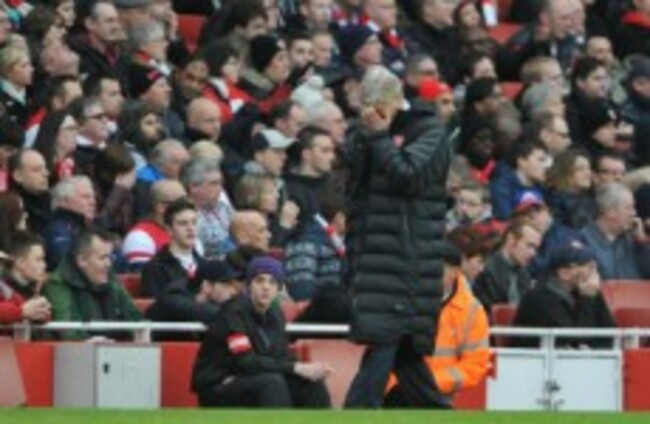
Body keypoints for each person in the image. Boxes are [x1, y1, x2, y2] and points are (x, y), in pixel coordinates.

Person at [344, 66, 451, 408]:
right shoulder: (371, 133)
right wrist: (366, 137)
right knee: (403, 351)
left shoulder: (430, 132)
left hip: (407, 258)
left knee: (386, 337)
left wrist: (379, 137)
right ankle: (438, 412)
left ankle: (358, 411)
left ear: (393, 101)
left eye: (375, 105)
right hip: (373, 256)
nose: (369, 113)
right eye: (365, 106)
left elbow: (409, 176)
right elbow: (356, 181)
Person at [191, 256, 333, 408]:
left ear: (279, 289)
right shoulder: (234, 313)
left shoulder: (276, 313)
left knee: (311, 383)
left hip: (251, 377)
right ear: (249, 286)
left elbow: (281, 355)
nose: (266, 287)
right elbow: (246, 362)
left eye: (272, 282)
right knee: (272, 382)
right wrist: (296, 368)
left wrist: (310, 369)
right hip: (219, 384)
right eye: (260, 280)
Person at [384, 244, 490, 408]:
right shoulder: (402, 301)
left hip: (441, 397)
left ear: (455, 272)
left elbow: (475, 365)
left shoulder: (472, 311)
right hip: (397, 395)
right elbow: (384, 355)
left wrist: (429, 384)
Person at [43, 228, 141, 341]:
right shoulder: (58, 284)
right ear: (82, 260)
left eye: (110, 257)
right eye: (102, 258)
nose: (108, 264)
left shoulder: (110, 279)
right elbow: (67, 331)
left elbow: (135, 318)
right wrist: (92, 341)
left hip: (115, 347)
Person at [512, 242, 616, 349]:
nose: (593, 272)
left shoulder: (584, 291)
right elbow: (573, 338)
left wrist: (595, 295)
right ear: (564, 273)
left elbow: (610, 334)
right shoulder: (540, 298)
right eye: (588, 266)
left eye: (593, 266)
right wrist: (587, 299)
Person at [580, 182, 646, 280]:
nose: (634, 213)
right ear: (610, 212)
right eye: (628, 207)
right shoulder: (583, 241)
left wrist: (641, 242)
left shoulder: (632, 238)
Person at [473, 220, 542, 313]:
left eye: (536, 248)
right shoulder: (486, 269)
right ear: (511, 240)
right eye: (529, 246)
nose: (533, 253)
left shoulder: (524, 274)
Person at [141, 198, 204, 298]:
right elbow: (156, 304)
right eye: (183, 223)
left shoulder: (205, 265)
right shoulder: (155, 268)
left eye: (194, 222)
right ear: (169, 229)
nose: (190, 228)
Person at [0, 231, 51, 325]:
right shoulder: (2, 286)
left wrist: (41, 312)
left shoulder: (36, 287)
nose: (44, 265)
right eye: (38, 260)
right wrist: (22, 311)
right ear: (21, 263)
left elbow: (46, 318)